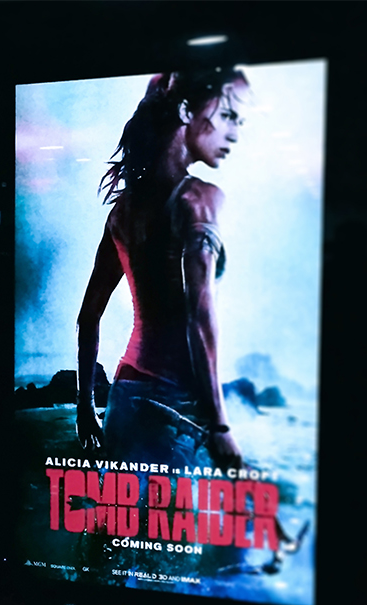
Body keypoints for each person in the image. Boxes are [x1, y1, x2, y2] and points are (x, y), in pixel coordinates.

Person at [76, 67, 248, 471]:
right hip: (177, 407)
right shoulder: (200, 200)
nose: (233, 134)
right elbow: (198, 316)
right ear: (186, 112)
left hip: (125, 399)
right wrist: (220, 425)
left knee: (119, 511)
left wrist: (84, 407)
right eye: (223, 116)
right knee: (189, 514)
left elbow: (88, 318)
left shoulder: (122, 212)